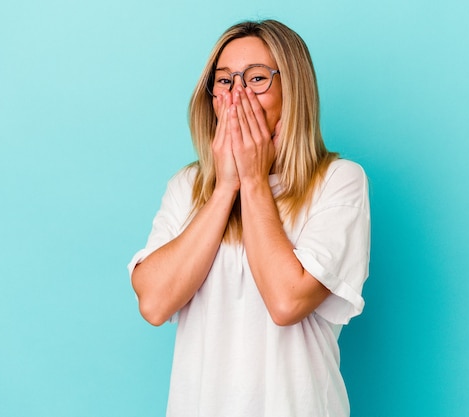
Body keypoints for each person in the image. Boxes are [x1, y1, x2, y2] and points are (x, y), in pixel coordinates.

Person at [128, 19, 370, 417]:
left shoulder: (339, 182)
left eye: (256, 78)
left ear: (293, 91)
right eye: (224, 81)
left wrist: (254, 179)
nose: (238, 94)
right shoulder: (186, 186)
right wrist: (225, 188)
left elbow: (287, 301)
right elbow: (154, 303)